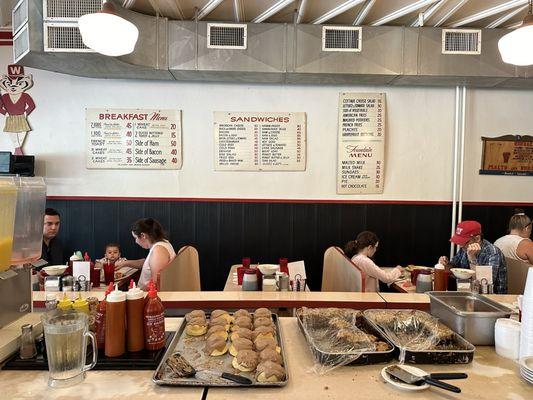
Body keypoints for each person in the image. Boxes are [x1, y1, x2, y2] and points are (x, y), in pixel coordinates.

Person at [439, 220, 507, 294]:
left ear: (477, 239)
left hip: (493, 299)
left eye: (465, 242)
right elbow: (453, 267)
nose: (461, 246)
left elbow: (484, 288)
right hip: (467, 292)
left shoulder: (493, 253)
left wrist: (472, 258)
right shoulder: (464, 248)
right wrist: (446, 264)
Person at [115, 218, 175, 290]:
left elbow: (155, 283)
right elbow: (149, 264)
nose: (136, 242)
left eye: (136, 238)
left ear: (143, 235)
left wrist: (135, 291)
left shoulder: (158, 250)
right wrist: (124, 263)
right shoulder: (164, 242)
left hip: (145, 296)